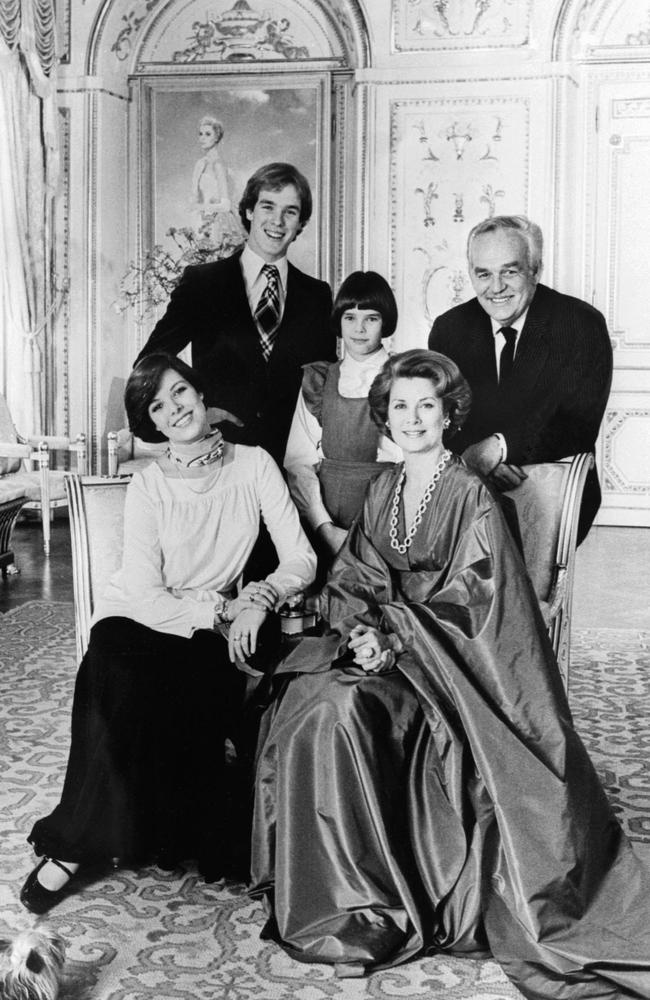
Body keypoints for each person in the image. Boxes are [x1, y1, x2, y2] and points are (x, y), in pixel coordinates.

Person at [250, 349, 650, 999]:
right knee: (305, 696)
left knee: (346, 713)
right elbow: (354, 578)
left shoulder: (471, 494)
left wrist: (397, 633)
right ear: (384, 414)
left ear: (448, 414)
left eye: (426, 405)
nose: (412, 418)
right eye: (401, 405)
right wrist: (362, 632)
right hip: (387, 651)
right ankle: (340, 896)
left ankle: (378, 903)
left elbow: (478, 599)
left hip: (448, 668)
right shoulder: (383, 490)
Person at [20, 354, 316, 915]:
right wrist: (219, 615)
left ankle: (115, 835)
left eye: (180, 392)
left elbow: (299, 556)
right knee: (111, 655)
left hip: (216, 626)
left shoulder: (254, 465)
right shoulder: (149, 486)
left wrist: (260, 597)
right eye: (159, 404)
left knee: (172, 681)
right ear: (151, 422)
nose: (175, 408)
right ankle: (75, 846)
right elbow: (143, 592)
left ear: (201, 395)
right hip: (148, 617)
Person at [136, 161, 335, 466]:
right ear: (249, 211)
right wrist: (194, 418)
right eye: (268, 206)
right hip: (218, 462)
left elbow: (324, 387)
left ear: (300, 224)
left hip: (293, 468)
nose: (278, 221)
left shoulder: (318, 296)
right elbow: (148, 366)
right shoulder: (203, 284)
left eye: (290, 212)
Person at [428, 215, 612, 543]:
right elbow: (442, 416)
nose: (496, 287)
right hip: (470, 479)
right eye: (484, 274)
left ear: (535, 269)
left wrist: (498, 447)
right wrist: (474, 458)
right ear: (471, 273)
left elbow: (577, 424)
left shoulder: (580, 324)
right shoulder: (450, 329)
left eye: (509, 271)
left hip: (550, 485)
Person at [284, 271, 402, 562]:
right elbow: (298, 463)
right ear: (338, 322)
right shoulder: (320, 380)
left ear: (385, 322)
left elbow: (413, 464)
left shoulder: (405, 378)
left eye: (371, 318)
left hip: (386, 520)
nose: (359, 328)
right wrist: (323, 527)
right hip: (326, 521)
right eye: (350, 317)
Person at [190, 115, 246, 250]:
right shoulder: (200, 164)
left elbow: (226, 205)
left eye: (208, 134)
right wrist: (197, 212)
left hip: (219, 222)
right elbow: (194, 196)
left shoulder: (219, 165)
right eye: (200, 134)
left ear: (217, 138)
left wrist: (200, 207)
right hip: (201, 221)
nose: (202, 138)